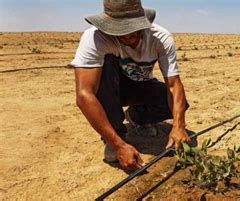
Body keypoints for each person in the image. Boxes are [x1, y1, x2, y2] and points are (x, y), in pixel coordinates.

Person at [69, 0, 191, 171]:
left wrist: (179, 125)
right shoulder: (95, 38)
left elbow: (173, 85)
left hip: (140, 85)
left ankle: (137, 117)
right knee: (105, 67)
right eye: (120, 31)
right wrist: (118, 145)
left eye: (132, 29)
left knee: (180, 105)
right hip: (109, 88)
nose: (127, 36)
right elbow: (84, 95)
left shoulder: (160, 38)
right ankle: (116, 135)